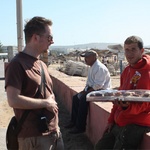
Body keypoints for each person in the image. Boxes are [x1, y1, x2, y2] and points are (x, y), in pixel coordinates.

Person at [5, 16, 64, 150]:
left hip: (53, 133)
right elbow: (13, 100)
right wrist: (45, 103)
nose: (52, 41)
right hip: (33, 137)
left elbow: (47, 93)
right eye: (49, 37)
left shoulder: (42, 65)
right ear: (35, 37)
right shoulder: (17, 64)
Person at [95, 35, 150, 150]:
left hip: (137, 124)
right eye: (127, 50)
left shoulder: (147, 73)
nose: (129, 54)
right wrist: (110, 120)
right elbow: (119, 94)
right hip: (120, 121)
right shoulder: (127, 70)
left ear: (142, 51)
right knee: (100, 147)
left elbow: (145, 104)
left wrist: (126, 108)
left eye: (133, 49)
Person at [65, 50, 111, 134]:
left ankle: (80, 127)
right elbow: (89, 83)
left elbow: (98, 85)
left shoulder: (99, 67)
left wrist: (86, 93)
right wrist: (84, 91)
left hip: (102, 91)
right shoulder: (92, 67)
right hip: (93, 89)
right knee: (76, 98)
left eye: (87, 57)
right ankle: (73, 122)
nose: (85, 59)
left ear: (93, 57)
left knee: (83, 99)